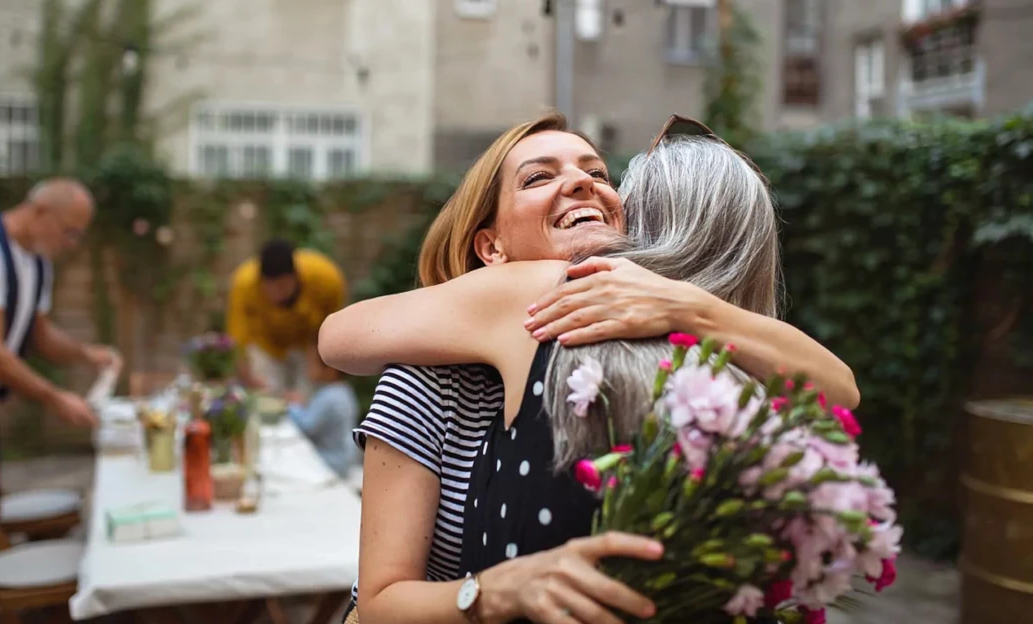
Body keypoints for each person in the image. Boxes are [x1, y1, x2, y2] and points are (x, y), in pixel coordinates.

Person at [319, 114, 858, 624]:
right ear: (492, 248)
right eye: (538, 177)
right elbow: (381, 603)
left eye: (598, 173)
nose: (582, 183)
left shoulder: (637, 323)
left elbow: (839, 392)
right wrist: (494, 590)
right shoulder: (436, 366)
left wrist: (684, 306)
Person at [0, 178, 121, 623]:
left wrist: (86, 354)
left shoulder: (36, 263)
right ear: (38, 212)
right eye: (69, 231)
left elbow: (40, 335)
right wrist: (55, 398)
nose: (72, 243)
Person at [226, 238, 346, 394]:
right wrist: (248, 377)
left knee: (309, 396)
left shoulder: (326, 278)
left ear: (296, 276)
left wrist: (327, 368)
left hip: (308, 345)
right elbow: (237, 339)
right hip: (267, 344)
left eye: (282, 286)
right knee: (268, 396)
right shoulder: (244, 284)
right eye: (269, 287)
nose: (277, 294)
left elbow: (336, 326)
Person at [287, 348, 360, 478]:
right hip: (344, 459)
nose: (308, 368)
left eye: (312, 363)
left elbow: (307, 427)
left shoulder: (329, 396)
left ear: (330, 368)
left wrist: (294, 406)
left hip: (330, 462)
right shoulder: (343, 390)